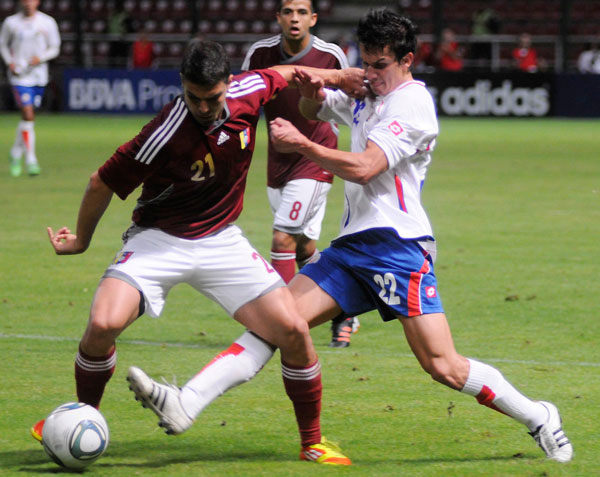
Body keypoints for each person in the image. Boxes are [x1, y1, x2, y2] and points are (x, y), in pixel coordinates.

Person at [136, 9, 573, 465]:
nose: (371, 74)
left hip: (397, 247)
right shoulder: (368, 91)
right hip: (351, 248)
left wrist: (304, 145)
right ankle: (186, 402)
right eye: (366, 63)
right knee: (280, 323)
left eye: (380, 65)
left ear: (406, 60)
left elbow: (365, 167)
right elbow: (316, 109)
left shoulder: (412, 104)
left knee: (442, 365)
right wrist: (310, 95)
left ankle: (539, 414)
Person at [33, 39, 365, 465]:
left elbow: (282, 75)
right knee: (101, 324)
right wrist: (80, 240)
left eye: (212, 98)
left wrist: (339, 77)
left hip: (222, 240)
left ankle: (313, 443)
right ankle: (81, 418)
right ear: (182, 87)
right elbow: (102, 182)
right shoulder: (164, 132)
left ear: (230, 83)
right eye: (194, 98)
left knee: (294, 332)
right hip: (158, 240)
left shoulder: (249, 90)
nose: (204, 107)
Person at [241, 0, 359, 348]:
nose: (295, 18)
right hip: (278, 162)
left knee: (282, 240)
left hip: (316, 157)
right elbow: (245, 103)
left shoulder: (331, 55)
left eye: (301, 12)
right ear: (278, 17)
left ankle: (283, 323)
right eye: (288, 12)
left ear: (313, 19)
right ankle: (344, 309)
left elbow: (349, 103)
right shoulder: (260, 54)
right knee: (303, 244)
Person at [0, 0, 60, 177]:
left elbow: (55, 48)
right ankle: (31, 159)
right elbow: (3, 44)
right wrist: (9, 62)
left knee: (28, 120)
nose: (28, 3)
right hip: (19, 75)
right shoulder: (11, 22)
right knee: (27, 114)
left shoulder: (47, 22)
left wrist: (40, 58)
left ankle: (15, 153)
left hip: (39, 76)